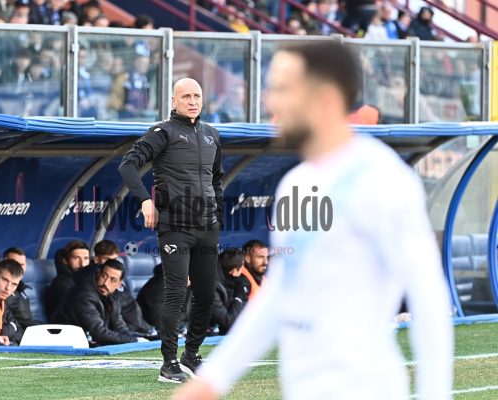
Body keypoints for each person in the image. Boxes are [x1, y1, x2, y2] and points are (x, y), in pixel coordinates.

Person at [173, 41, 453, 400]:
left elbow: (427, 298)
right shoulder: (297, 183)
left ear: (326, 99)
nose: (270, 101)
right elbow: (281, 290)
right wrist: (213, 380)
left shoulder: (381, 180)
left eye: (283, 89)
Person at [119, 77, 224, 383]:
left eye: (197, 96)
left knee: (206, 294)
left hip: (207, 227)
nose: (192, 101)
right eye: (186, 96)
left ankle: (191, 354)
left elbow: (216, 180)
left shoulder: (212, 134)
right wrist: (145, 201)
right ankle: (168, 362)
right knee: (176, 293)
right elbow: (128, 165)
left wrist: (217, 216)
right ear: (174, 101)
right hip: (175, 227)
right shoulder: (162, 132)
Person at [51, 259, 144, 346]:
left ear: (119, 284)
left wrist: (137, 338)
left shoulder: (113, 295)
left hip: (89, 341)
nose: (106, 283)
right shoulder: (84, 294)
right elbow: (98, 332)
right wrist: (134, 340)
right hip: (64, 342)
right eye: (104, 276)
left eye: (113, 280)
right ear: (99, 274)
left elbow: (119, 326)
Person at [45, 241, 90, 319]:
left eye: (86, 258)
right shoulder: (62, 284)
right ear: (65, 261)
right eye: (76, 258)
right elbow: (80, 311)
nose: (82, 264)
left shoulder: (83, 280)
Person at [210, 248, 249, 335]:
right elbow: (228, 322)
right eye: (242, 267)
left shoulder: (240, 281)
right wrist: (238, 297)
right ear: (234, 271)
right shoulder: (210, 286)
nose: (243, 270)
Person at [3, 247, 41, 329]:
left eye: (22, 264)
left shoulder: (21, 288)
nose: (19, 268)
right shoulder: (3, 290)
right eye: (15, 263)